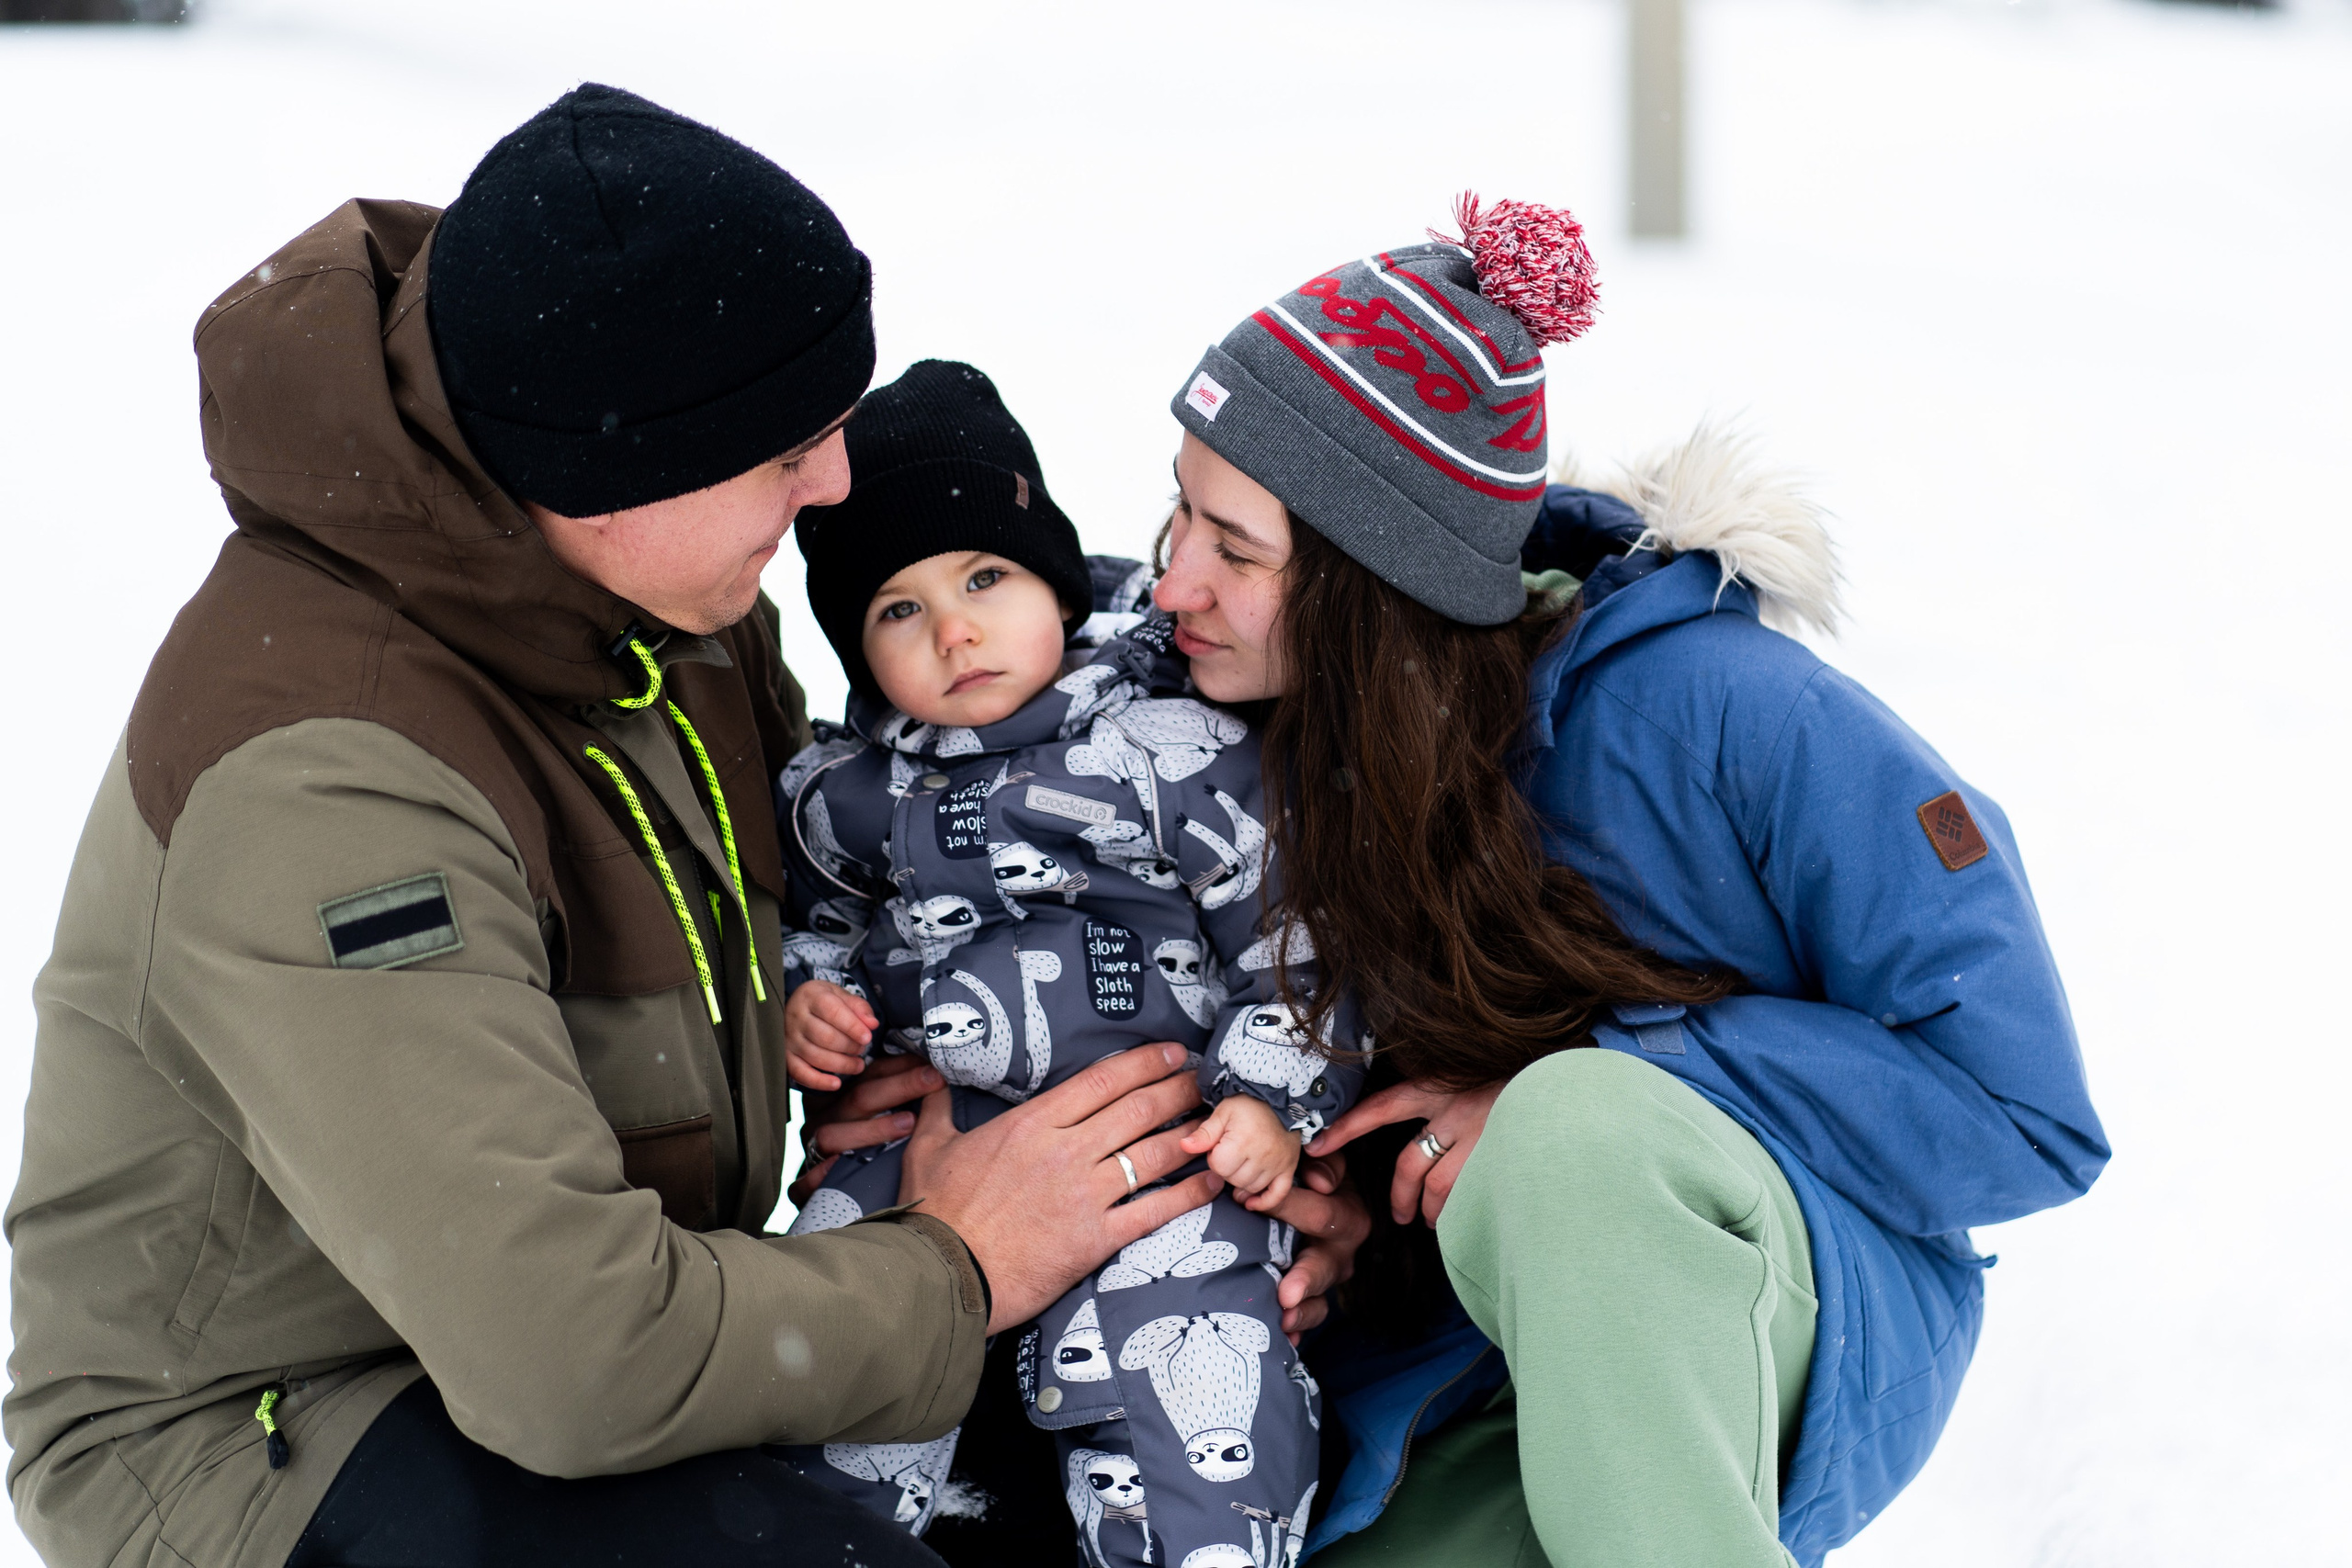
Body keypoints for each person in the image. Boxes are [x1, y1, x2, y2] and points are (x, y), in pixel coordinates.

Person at [2, 86, 1239, 1568]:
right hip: (274, 1426)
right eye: (786, 447)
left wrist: (1164, 1146)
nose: (836, 481)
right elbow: (568, 1353)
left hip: (636, 1322)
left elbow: (921, 857)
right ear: (609, 469)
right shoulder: (331, 782)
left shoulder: (658, 602)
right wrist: (963, 1264)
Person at [1139, 197, 2109, 1568]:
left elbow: (2024, 1115)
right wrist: (1351, 1209)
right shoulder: (1222, 726)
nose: (1174, 581)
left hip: (1790, 1292)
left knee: (1575, 1136)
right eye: (1177, 511)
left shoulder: (1728, 712)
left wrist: (1591, 1073)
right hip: (1463, 1350)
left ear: (1379, 586)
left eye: (1236, 550)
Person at [769, 359, 1360, 1563]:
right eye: (899, 610)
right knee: (817, 1371)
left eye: (985, 577)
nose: (957, 629)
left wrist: (1267, 1102)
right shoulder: (846, 795)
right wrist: (801, 1005)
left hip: (1156, 1146)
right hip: (912, 1155)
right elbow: (810, 925)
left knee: (1190, 1384)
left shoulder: (1171, 745)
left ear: (1049, 576)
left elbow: (1298, 946)